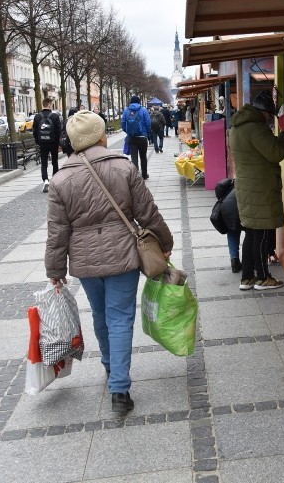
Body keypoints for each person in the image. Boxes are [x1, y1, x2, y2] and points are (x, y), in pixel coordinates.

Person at [44, 110, 173, 413]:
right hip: (123, 255)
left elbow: (57, 231)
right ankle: (119, 390)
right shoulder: (123, 168)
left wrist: (55, 269)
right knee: (120, 318)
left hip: (85, 260)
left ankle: (110, 367)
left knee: (100, 315)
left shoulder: (61, 179)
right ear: (101, 136)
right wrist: (164, 243)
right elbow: (147, 212)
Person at [229, 90, 284, 290]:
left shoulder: (237, 127)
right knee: (260, 233)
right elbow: (275, 152)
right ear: (263, 112)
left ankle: (247, 277)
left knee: (251, 233)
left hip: (248, 187)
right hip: (259, 188)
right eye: (269, 115)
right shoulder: (256, 128)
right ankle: (262, 277)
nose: (270, 119)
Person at [211, 178, 243, 273]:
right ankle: (251, 261)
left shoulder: (235, 180)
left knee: (232, 232)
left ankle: (234, 261)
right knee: (252, 233)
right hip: (240, 207)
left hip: (227, 208)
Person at [32, 97, 62, 193]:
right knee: (54, 161)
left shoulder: (37, 117)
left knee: (44, 163)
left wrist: (38, 141)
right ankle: (55, 181)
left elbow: (35, 131)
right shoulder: (54, 116)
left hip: (43, 143)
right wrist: (58, 143)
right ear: (49, 105)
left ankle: (45, 180)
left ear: (43, 104)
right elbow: (58, 131)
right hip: (53, 143)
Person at [121, 95, 151, 179]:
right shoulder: (143, 110)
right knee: (143, 156)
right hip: (142, 137)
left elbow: (123, 123)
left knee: (134, 157)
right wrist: (146, 133)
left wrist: (128, 132)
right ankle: (144, 175)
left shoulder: (126, 110)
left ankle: (136, 177)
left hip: (131, 137)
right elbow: (148, 122)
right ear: (139, 102)